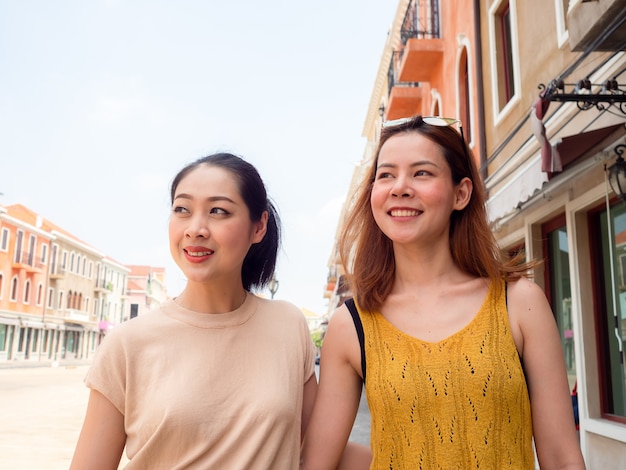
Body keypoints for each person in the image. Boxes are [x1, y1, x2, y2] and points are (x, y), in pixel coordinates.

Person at [300, 116, 586, 469]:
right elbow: (318, 462)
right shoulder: (351, 325)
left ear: (461, 193)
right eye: (386, 174)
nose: (399, 187)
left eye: (421, 173)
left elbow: (561, 457)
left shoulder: (519, 302)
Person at [71, 152, 318, 469]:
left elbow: (317, 448)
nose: (196, 228)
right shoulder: (127, 343)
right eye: (182, 210)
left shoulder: (288, 325)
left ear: (259, 227)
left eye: (218, 211)